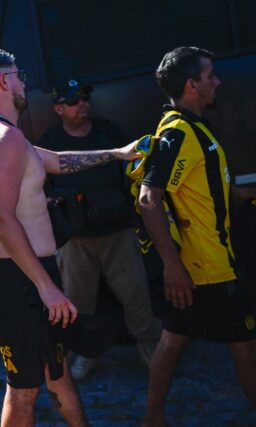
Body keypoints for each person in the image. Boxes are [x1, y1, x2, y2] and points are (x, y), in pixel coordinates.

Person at [0, 48, 140, 427]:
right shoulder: (3, 140)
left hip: (19, 273)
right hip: (19, 277)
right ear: (4, 82)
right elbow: (1, 220)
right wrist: (46, 286)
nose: (25, 82)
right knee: (23, 388)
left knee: (56, 373)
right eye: (18, 75)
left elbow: (58, 161)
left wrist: (118, 154)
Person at [139, 46, 256, 426]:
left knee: (173, 339)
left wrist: (240, 195)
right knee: (246, 344)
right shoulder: (178, 132)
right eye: (211, 76)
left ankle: (152, 419)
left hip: (205, 262)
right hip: (209, 267)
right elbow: (149, 197)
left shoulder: (196, 127)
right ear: (192, 85)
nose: (217, 81)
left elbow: (195, 188)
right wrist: (172, 266)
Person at [36, 79, 160, 380]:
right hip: (75, 240)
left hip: (118, 233)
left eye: (84, 97)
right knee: (77, 303)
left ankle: (154, 351)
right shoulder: (50, 142)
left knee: (137, 296)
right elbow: (38, 187)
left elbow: (137, 174)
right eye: (73, 100)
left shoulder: (110, 133)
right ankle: (84, 355)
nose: (82, 103)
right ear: (58, 108)